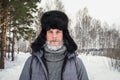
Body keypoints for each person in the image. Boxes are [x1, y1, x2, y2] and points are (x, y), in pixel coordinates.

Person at [19, 10, 89, 80]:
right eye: (50, 32)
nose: (54, 36)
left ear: (63, 34)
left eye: (58, 32)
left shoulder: (76, 63)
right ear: (45, 34)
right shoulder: (31, 62)